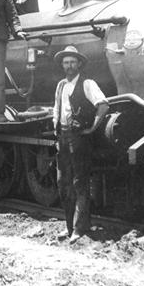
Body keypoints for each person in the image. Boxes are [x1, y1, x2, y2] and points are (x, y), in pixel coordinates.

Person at [52, 45, 110, 244]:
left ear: (79, 64)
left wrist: (92, 129)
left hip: (79, 139)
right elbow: (56, 109)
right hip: (63, 137)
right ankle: (69, 227)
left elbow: (103, 105)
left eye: (72, 62)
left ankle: (80, 228)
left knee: (80, 183)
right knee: (63, 183)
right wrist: (56, 129)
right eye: (66, 63)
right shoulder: (60, 85)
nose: (69, 66)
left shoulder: (87, 84)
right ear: (62, 65)